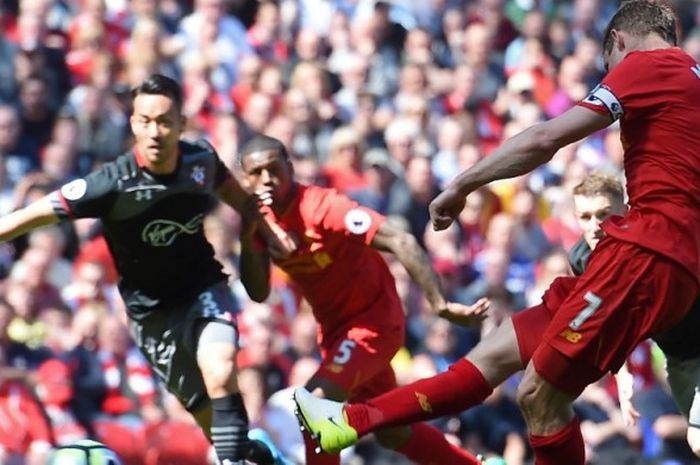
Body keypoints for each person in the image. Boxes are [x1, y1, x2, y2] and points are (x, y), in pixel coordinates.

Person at [293, 3, 700, 465]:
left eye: (608, 67)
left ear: (619, 43)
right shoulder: (691, 82)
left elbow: (545, 139)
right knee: (495, 355)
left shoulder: (648, 65)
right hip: (670, 263)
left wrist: (462, 183)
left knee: (539, 396)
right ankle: (347, 422)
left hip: (647, 252)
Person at [0, 74, 293, 465]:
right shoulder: (111, 184)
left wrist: (273, 233)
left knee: (221, 371)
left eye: (165, 121)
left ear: (181, 124)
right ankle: (257, 454)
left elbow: (242, 202)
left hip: (203, 290)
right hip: (152, 315)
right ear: (134, 124)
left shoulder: (201, 162)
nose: (155, 131)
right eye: (145, 121)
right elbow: (34, 215)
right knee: (215, 426)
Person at [237, 134, 490, 465]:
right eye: (256, 173)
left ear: (290, 167)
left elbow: (401, 240)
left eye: (274, 168)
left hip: (375, 323)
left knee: (316, 404)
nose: (267, 179)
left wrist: (439, 303)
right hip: (337, 335)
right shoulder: (260, 221)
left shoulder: (323, 206)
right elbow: (258, 292)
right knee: (392, 431)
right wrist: (247, 232)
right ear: (245, 179)